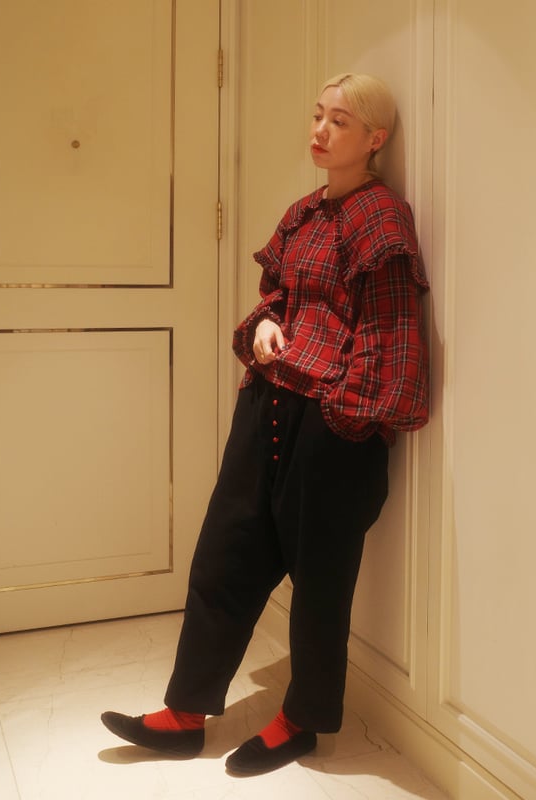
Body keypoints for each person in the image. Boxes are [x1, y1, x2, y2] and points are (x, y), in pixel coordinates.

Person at [101, 72, 430, 777]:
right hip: (269, 402)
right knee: (225, 555)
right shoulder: (304, 213)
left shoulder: (381, 218)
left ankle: (301, 720)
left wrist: (342, 414)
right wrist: (264, 327)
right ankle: (185, 714)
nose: (320, 130)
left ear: (375, 138)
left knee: (320, 581)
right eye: (317, 115)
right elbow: (278, 297)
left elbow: (391, 334)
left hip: (332, 425)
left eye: (339, 121)